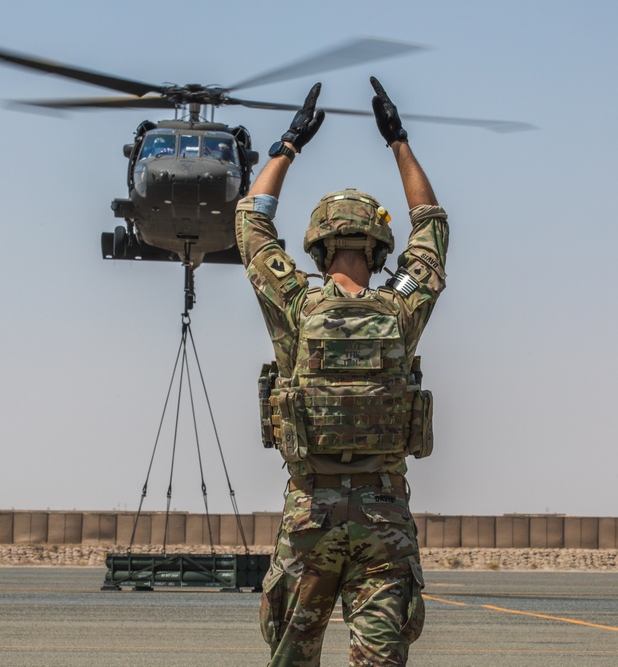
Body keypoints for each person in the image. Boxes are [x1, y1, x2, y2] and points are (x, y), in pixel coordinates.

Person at [234, 78, 449, 666]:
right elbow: (430, 229)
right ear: (380, 249)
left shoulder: (298, 309)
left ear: (318, 248)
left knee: (291, 657)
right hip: (384, 517)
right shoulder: (401, 311)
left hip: (311, 517)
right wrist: (398, 140)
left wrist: (289, 144)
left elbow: (250, 224)